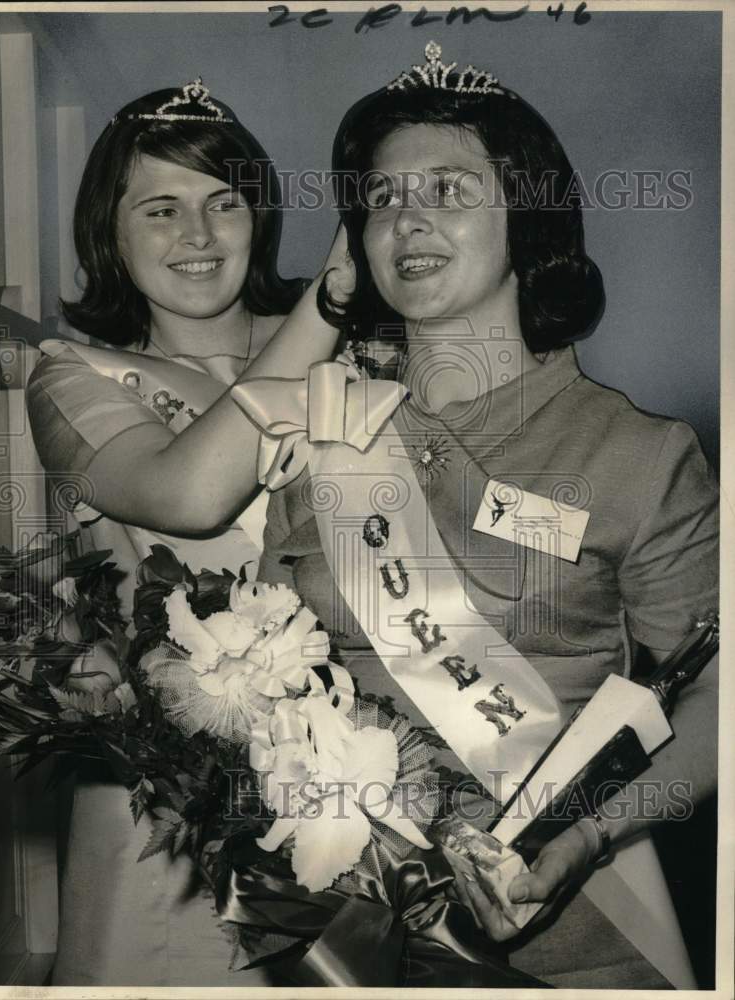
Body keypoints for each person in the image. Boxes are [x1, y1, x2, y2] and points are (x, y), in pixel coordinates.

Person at [256, 44, 719, 989]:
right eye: (380, 198)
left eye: (450, 190)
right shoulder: (319, 439)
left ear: (529, 223)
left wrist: (588, 835)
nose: (407, 218)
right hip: (336, 937)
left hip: (573, 926)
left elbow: (717, 696)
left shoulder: (638, 455)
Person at [26, 79, 350, 986]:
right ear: (111, 231)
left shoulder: (369, 354)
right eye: (160, 209)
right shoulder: (76, 375)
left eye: (224, 203)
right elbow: (188, 493)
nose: (199, 238)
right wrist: (323, 309)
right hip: (177, 811)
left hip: (364, 779)